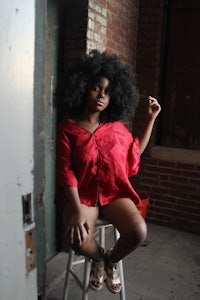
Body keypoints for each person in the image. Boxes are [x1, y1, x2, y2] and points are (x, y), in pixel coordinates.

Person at [56, 50, 161, 294]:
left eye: (108, 91)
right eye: (96, 87)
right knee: (78, 240)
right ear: (82, 88)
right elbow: (66, 169)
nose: (102, 95)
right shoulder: (68, 127)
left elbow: (133, 151)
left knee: (138, 231)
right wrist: (74, 209)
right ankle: (99, 258)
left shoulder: (115, 128)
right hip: (82, 195)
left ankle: (112, 260)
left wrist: (150, 119)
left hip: (114, 193)